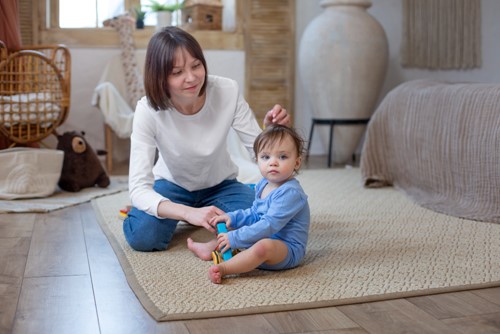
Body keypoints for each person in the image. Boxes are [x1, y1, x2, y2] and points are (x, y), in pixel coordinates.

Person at [123, 26, 291, 252]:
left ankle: (237, 197)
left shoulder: (227, 90)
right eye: (177, 72)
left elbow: (258, 149)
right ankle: (153, 209)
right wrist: (187, 213)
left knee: (268, 220)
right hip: (171, 186)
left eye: (196, 65)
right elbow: (138, 187)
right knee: (144, 236)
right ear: (159, 77)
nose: (191, 78)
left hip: (222, 185)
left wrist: (272, 133)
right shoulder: (147, 109)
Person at [187, 125, 310, 284]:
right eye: (266, 157)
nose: (273, 163)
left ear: (297, 162)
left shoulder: (290, 193)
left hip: (286, 250)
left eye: (282, 157)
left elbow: (268, 225)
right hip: (262, 236)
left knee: (262, 246)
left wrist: (235, 237)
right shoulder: (263, 184)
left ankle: (225, 268)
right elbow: (254, 213)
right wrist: (232, 218)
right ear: (257, 160)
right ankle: (210, 248)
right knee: (238, 227)